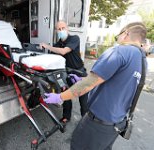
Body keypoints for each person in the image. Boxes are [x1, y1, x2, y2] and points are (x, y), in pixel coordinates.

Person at [43, 22, 147, 150]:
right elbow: (116, 80)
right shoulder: (142, 59)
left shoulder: (120, 51)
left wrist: (59, 97)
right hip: (117, 123)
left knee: (77, 145)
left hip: (99, 123)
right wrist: (83, 79)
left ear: (126, 33)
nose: (118, 38)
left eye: (118, 35)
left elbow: (88, 84)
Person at [40, 20, 88, 124]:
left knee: (83, 100)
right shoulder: (58, 44)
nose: (61, 30)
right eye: (59, 29)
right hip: (66, 73)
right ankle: (66, 116)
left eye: (63, 28)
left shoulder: (74, 38)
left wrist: (47, 46)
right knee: (66, 95)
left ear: (67, 29)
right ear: (56, 31)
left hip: (79, 73)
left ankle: (86, 121)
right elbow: (52, 56)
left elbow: (64, 51)